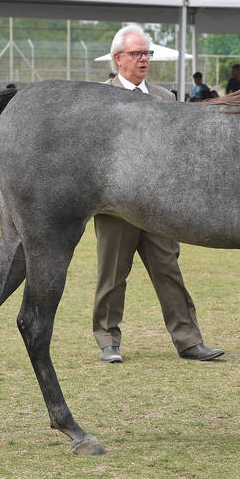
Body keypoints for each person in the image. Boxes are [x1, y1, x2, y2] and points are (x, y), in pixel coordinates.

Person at [93, 24, 224, 364]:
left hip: (158, 207)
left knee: (169, 271)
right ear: (118, 58)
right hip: (115, 205)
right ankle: (108, 339)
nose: (143, 60)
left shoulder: (165, 99)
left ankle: (189, 340)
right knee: (112, 274)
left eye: (146, 53)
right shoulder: (98, 99)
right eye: (136, 54)